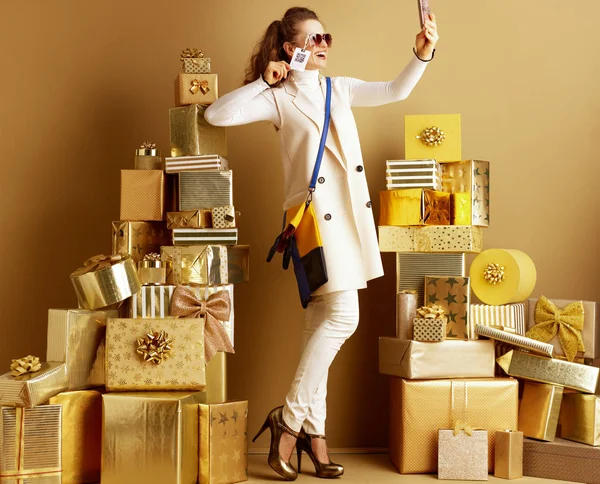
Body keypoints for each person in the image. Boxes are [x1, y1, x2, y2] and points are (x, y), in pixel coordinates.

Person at [204, 7, 438, 480]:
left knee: (320, 325)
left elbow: (396, 90)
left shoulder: (340, 88)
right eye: (312, 39)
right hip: (313, 223)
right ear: (291, 49)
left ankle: (315, 434)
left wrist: (422, 52)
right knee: (342, 317)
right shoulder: (278, 97)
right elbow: (217, 113)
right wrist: (267, 80)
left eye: (325, 35)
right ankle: (288, 419)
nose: (323, 44)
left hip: (351, 220)